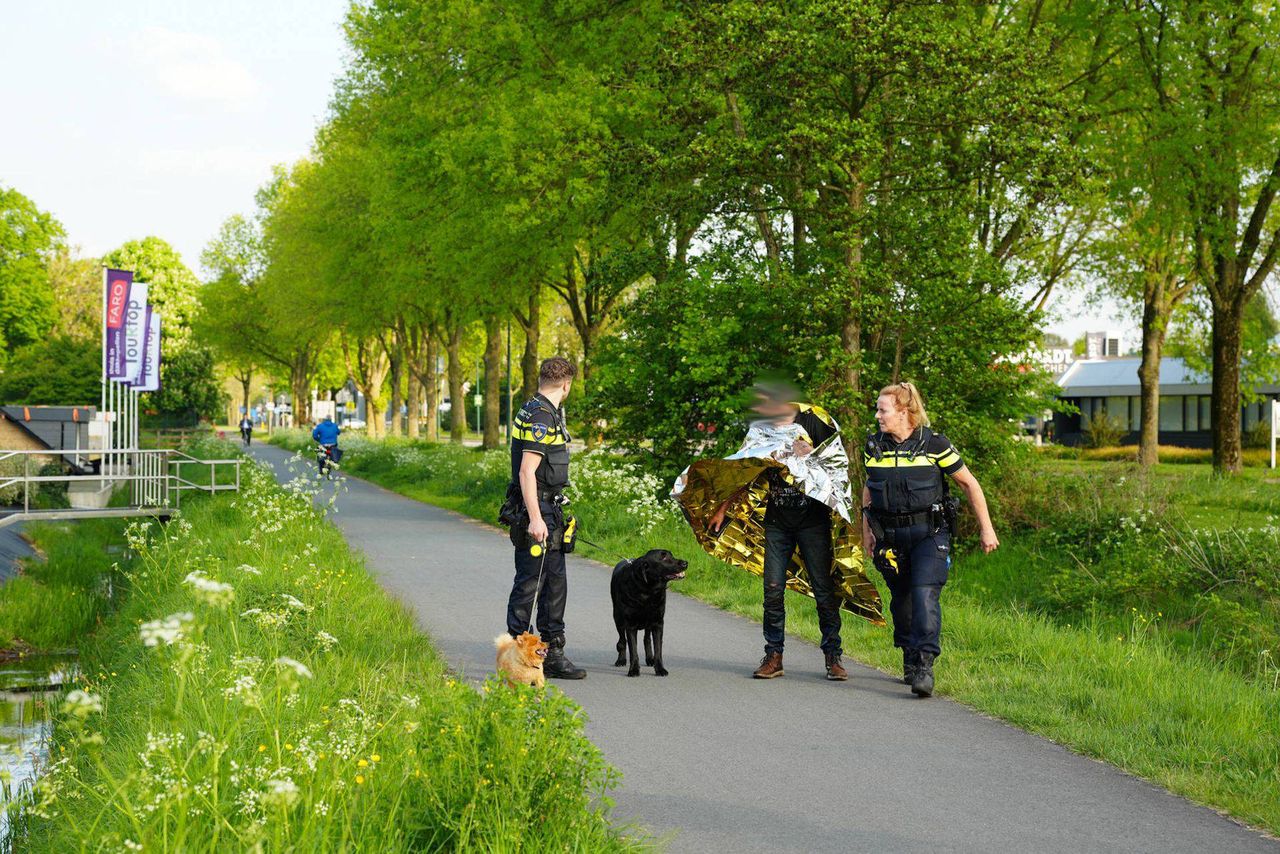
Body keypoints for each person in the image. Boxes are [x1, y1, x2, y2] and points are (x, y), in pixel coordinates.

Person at [860, 382, 998, 697]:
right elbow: (869, 490)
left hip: (929, 535)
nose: (878, 416)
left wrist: (986, 528)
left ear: (904, 412)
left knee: (924, 595)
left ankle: (924, 664)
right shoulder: (874, 446)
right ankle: (909, 654)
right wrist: (865, 532)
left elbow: (970, 485)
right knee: (903, 602)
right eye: (878, 409)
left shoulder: (935, 444)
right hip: (890, 538)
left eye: (883, 410)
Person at [709, 381, 850, 681]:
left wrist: (809, 453)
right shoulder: (761, 430)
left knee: (823, 590)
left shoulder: (816, 420)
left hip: (813, 521)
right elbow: (746, 469)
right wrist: (724, 507)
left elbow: (838, 466)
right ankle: (774, 655)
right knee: (772, 589)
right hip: (777, 522)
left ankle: (833, 657)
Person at [502, 356, 586, 680]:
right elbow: (527, 471)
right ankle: (517, 657)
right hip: (537, 513)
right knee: (530, 585)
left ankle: (549, 653)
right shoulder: (541, 415)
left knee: (553, 585)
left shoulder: (536, 407)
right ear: (566, 385)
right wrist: (536, 518)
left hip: (549, 510)